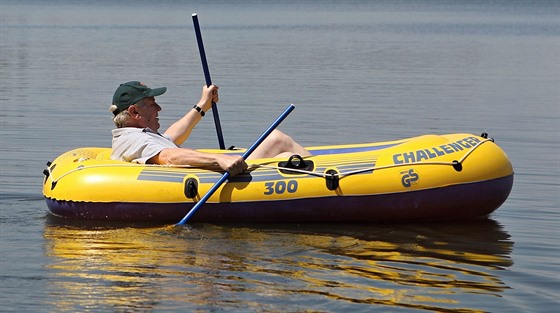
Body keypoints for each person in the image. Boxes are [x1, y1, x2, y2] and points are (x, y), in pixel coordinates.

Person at [109, 81, 311, 176]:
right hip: (223, 177)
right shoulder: (133, 140)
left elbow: (173, 136)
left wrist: (203, 105)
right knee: (277, 140)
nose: (159, 108)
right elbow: (169, 156)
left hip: (222, 175)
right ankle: (332, 179)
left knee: (280, 156)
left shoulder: (137, 137)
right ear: (135, 112)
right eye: (153, 104)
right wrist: (219, 158)